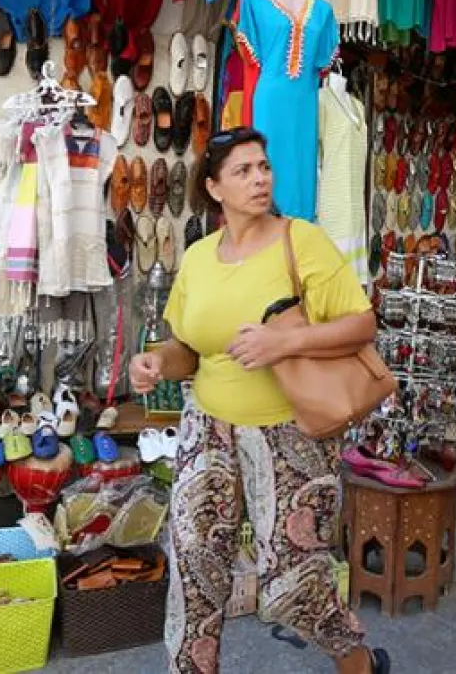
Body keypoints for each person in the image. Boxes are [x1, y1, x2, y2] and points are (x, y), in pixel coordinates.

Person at [128, 128, 390, 674]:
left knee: (292, 584)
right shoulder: (199, 257)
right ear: (214, 188)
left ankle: (356, 656)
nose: (260, 178)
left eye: (263, 167)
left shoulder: (302, 241)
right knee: (195, 571)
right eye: (243, 170)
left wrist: (285, 341)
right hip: (207, 428)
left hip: (287, 430)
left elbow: (362, 323)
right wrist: (157, 363)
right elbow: (188, 351)